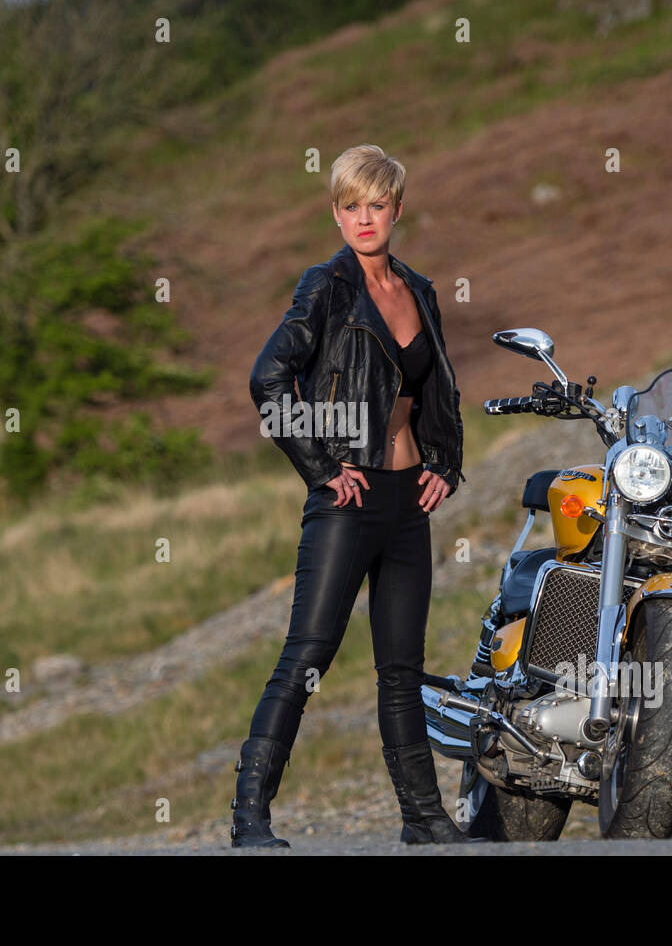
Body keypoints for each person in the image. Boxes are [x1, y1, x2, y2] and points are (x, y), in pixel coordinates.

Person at [231, 144, 472, 848]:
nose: (363, 219)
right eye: (349, 206)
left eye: (376, 204)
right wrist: (320, 466)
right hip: (347, 500)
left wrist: (445, 465)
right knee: (306, 655)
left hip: (407, 503)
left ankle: (422, 816)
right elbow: (267, 379)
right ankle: (250, 817)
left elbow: (438, 389)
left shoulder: (419, 289)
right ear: (335, 211)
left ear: (397, 207)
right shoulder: (326, 285)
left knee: (402, 667)